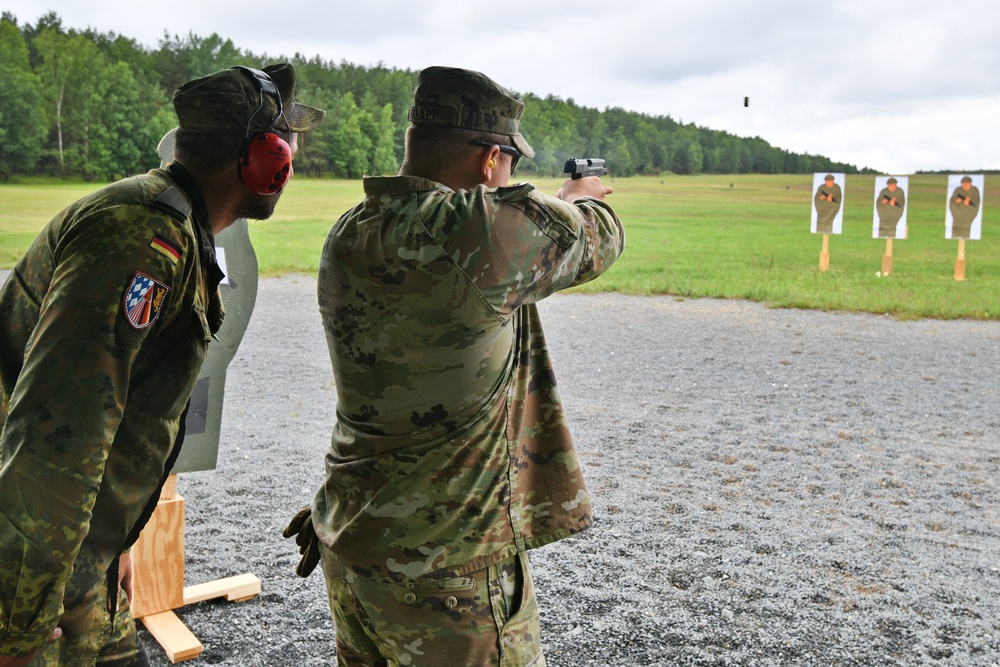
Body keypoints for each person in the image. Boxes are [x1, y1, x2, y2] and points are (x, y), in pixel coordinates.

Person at [284, 66, 625, 666]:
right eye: (509, 165)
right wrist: (578, 200)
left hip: (356, 546)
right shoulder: (471, 236)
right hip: (447, 573)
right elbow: (595, 241)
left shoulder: (354, 229)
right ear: (492, 160)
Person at [0, 63, 324, 666]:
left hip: (70, 552)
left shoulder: (173, 228)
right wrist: (17, 627)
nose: (293, 161)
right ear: (263, 156)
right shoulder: (140, 240)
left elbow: (117, 413)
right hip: (25, 563)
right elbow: (55, 438)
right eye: (289, 143)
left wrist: (116, 536)